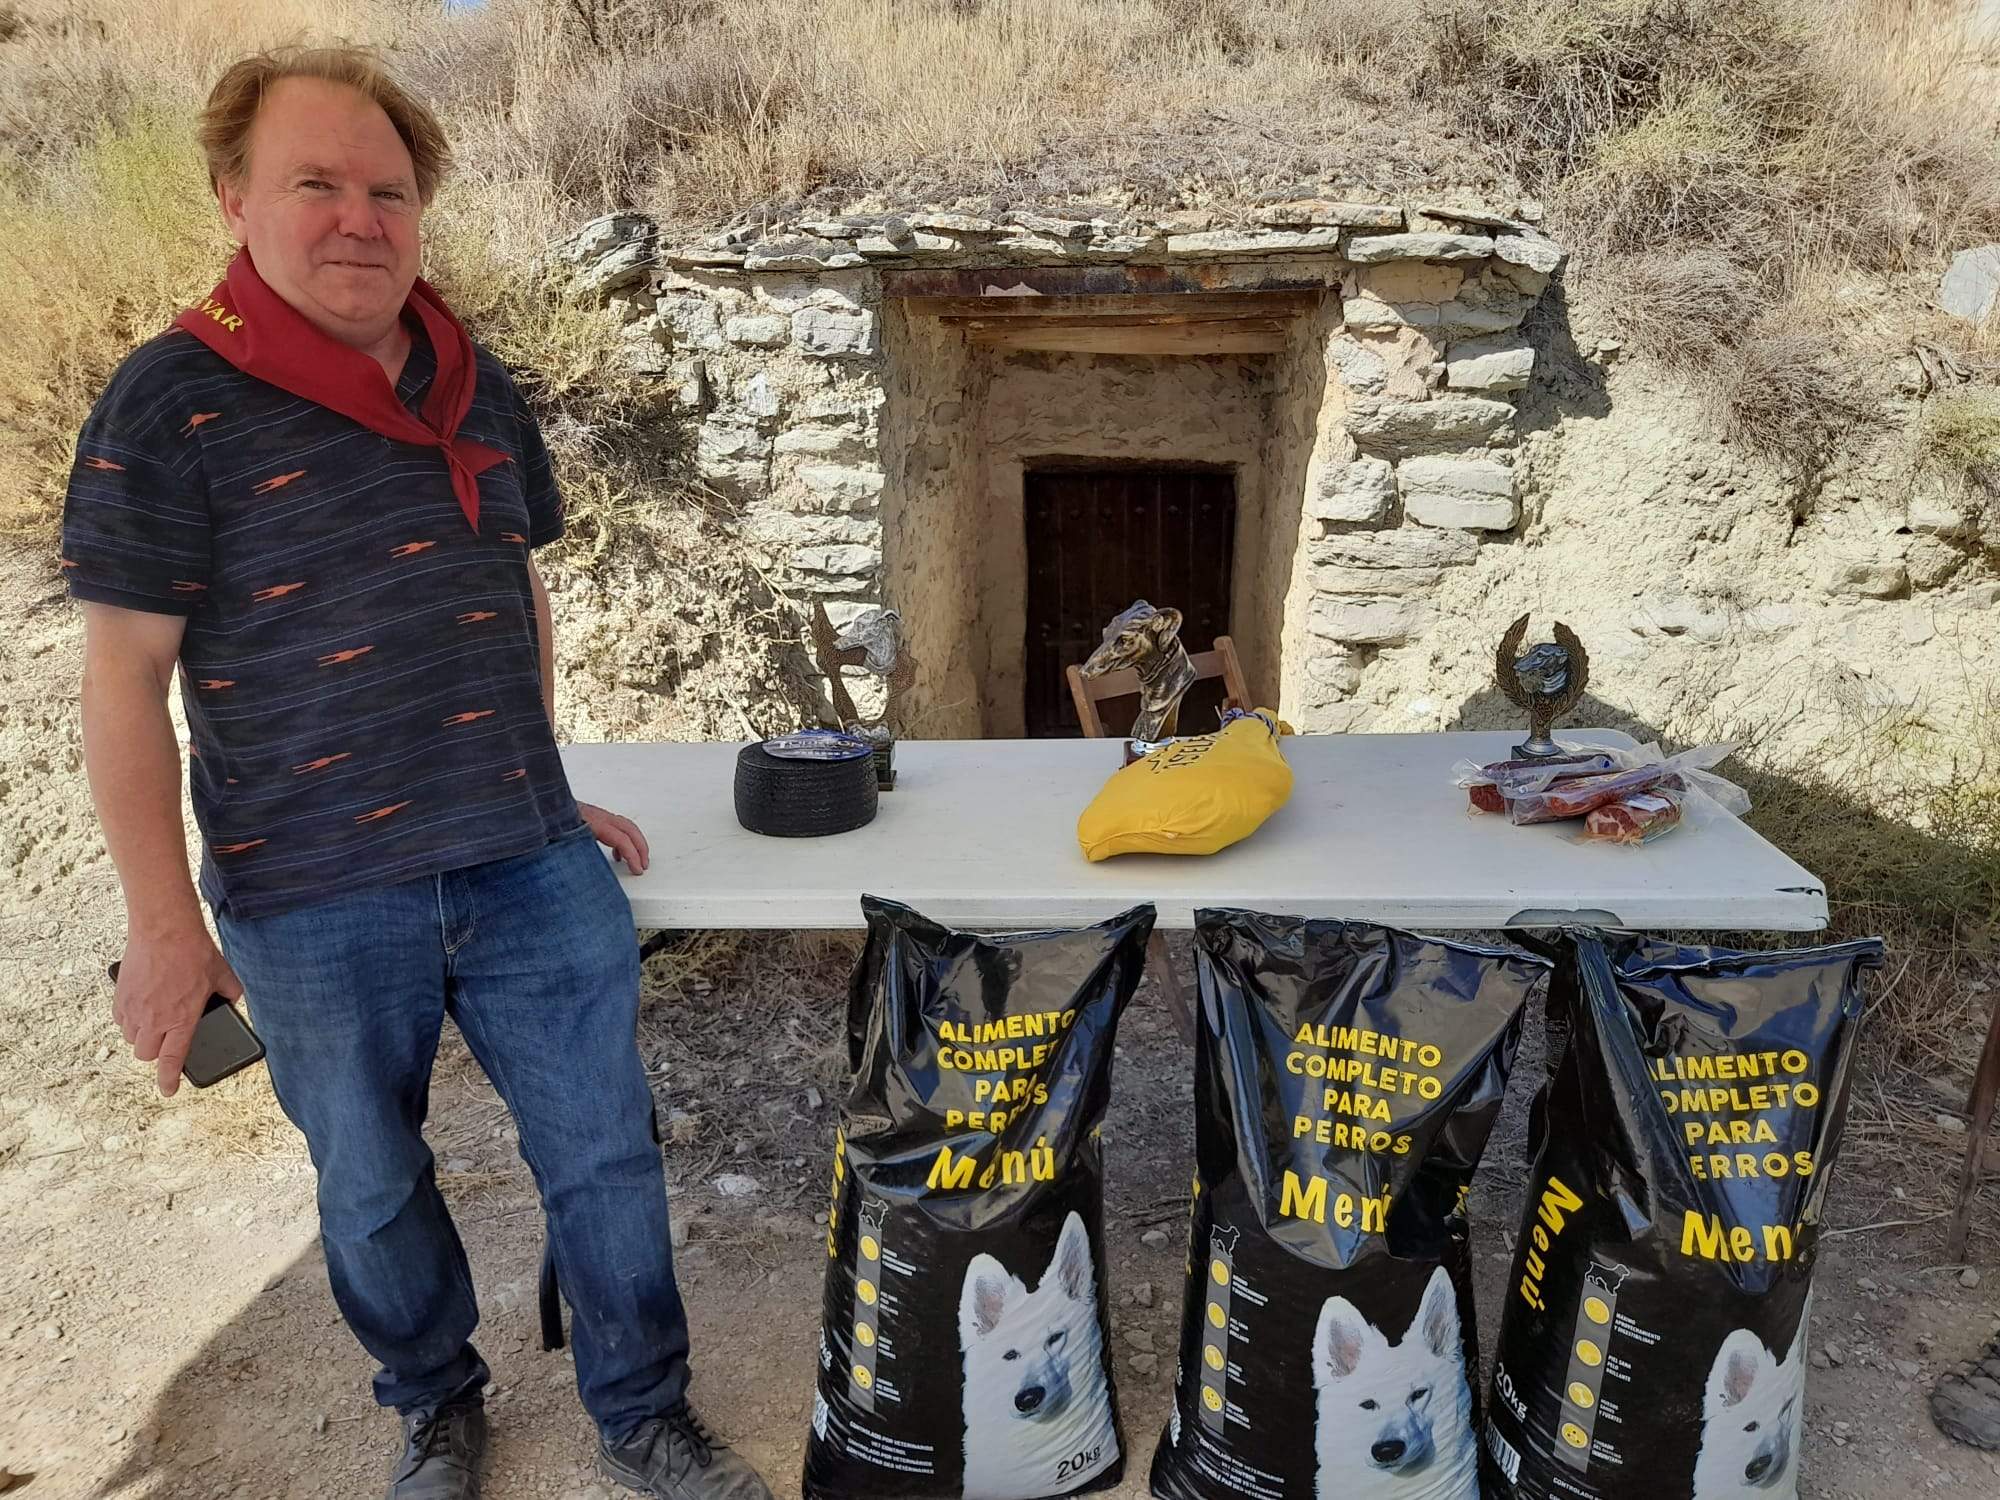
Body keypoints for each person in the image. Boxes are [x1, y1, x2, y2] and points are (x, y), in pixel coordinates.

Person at [61, 46, 772, 1500]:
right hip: (309, 892)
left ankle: (643, 1414)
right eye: (315, 183)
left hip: (524, 860)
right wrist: (165, 925)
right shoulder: (169, 401)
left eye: (388, 191)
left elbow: (509, 586)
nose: (359, 219)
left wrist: (540, 773)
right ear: (233, 197)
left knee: (607, 1157)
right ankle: (436, 1406)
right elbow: (124, 675)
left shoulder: (470, 375)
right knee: (373, 1186)